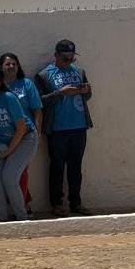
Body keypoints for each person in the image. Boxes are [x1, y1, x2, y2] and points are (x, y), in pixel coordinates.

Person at [35, 39, 94, 216]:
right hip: (57, 128)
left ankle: (76, 203)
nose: (69, 61)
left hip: (79, 126)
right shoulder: (44, 75)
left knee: (76, 167)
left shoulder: (79, 71)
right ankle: (57, 204)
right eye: (65, 58)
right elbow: (39, 101)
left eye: (71, 58)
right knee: (57, 167)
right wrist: (60, 93)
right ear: (56, 56)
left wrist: (86, 90)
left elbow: (87, 96)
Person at [0, 68, 38, 222]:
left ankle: (22, 218)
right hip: (1, 142)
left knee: (9, 177)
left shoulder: (9, 98)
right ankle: (2, 218)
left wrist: (9, 151)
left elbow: (21, 128)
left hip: (25, 139)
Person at [0, 52, 43, 215]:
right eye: (7, 64)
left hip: (25, 136)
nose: (11, 66)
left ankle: (23, 205)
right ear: (1, 67)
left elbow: (37, 111)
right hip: (3, 137)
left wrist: (38, 134)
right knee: (4, 174)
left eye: (14, 64)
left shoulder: (26, 84)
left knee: (20, 172)